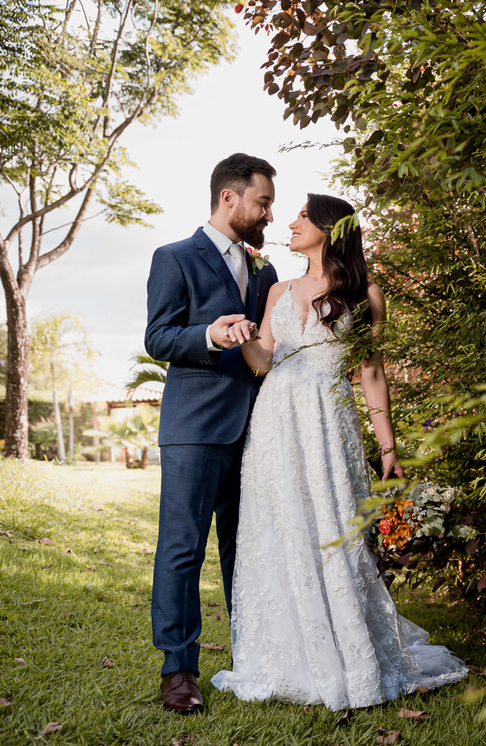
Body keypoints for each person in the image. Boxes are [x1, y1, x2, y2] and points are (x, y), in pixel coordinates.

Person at [210, 194, 468, 710]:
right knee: (282, 524)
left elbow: (371, 372)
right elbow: (263, 362)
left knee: (333, 525)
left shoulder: (364, 292)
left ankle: (349, 649)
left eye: (303, 216)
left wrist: (388, 448)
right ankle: (290, 652)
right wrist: (240, 337)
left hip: (330, 420)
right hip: (277, 422)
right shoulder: (278, 290)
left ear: (330, 228)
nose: (290, 222)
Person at [145, 153, 279, 713]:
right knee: (183, 549)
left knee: (246, 550)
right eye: (263, 202)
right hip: (196, 429)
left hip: (258, 432)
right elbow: (158, 337)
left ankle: (254, 655)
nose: (269, 214)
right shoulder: (174, 257)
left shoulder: (266, 271)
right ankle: (179, 670)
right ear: (230, 197)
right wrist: (209, 336)